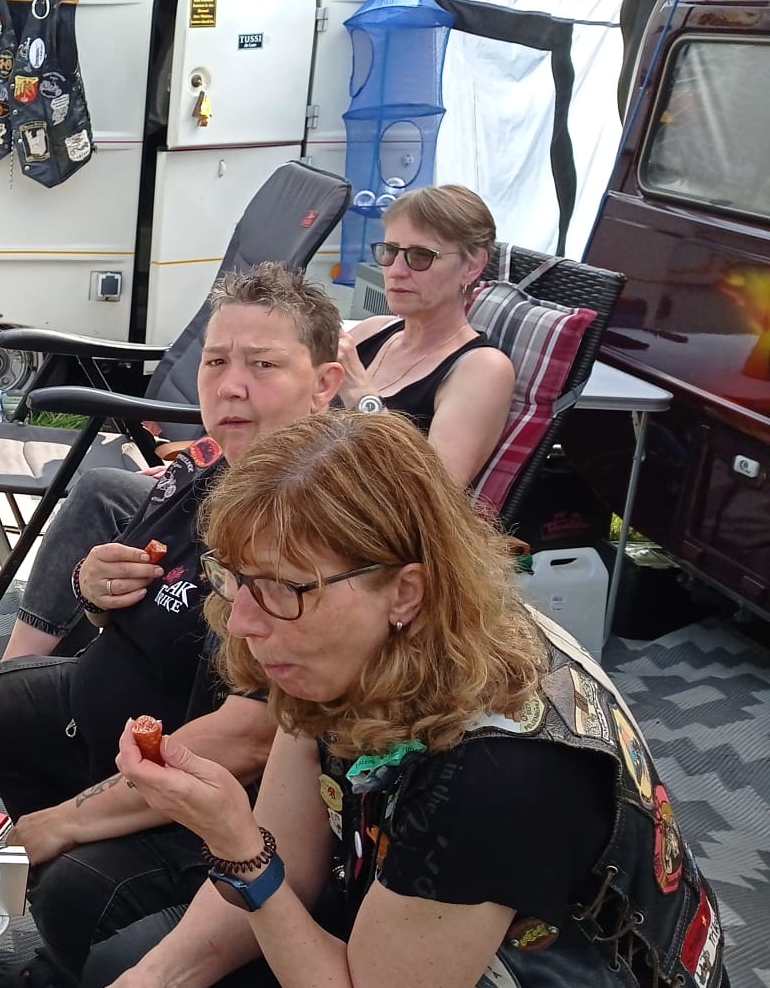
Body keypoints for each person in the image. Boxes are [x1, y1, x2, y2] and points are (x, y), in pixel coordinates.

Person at [93, 409, 728, 988]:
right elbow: (293, 853)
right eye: (238, 579)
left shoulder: (498, 772)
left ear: (404, 592)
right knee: (116, 953)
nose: (240, 622)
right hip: (404, 924)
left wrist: (239, 849)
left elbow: (273, 872)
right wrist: (155, 978)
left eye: (284, 586)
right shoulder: (344, 645)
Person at [0, 264, 344, 988]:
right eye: (216, 362)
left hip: (222, 789)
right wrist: (94, 590)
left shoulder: (313, 523)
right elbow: (126, 601)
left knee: (80, 885)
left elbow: (252, 735)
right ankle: (62, 914)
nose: (231, 386)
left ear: (325, 384)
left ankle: (73, 947)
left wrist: (70, 819)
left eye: (263, 365)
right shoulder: (206, 470)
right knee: (1, 700)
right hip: (126, 728)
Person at [338, 185, 516, 487]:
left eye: (420, 256)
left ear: (472, 266)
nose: (396, 270)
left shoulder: (483, 369)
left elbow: (435, 494)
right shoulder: (374, 330)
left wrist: (361, 396)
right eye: (390, 251)